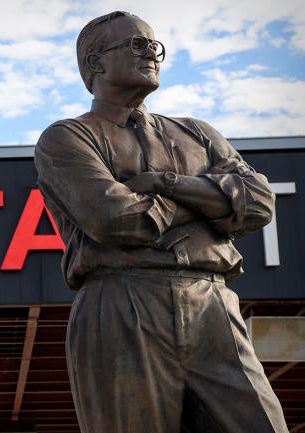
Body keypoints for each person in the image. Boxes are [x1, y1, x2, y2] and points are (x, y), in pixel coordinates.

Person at [34, 10, 289, 433]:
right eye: (136, 45)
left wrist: (165, 184)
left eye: (155, 46)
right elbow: (116, 220)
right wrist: (214, 202)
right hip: (122, 302)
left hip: (213, 303)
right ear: (95, 63)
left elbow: (260, 202)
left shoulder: (198, 133)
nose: (151, 53)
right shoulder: (67, 137)